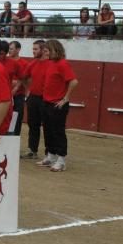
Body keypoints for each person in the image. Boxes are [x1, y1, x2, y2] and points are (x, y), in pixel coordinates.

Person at [37, 40, 78, 172]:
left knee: (58, 131)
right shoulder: (51, 63)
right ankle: (51, 156)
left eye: (47, 51)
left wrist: (65, 98)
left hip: (57, 104)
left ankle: (61, 160)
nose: (45, 53)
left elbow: (74, 82)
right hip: (47, 102)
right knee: (48, 130)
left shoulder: (63, 63)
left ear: (54, 50)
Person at [21, 40, 47, 159]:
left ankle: (49, 152)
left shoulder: (50, 63)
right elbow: (24, 78)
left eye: (36, 49)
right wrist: (27, 90)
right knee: (33, 125)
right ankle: (32, 150)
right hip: (33, 97)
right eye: (33, 49)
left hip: (46, 99)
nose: (33, 51)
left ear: (43, 50)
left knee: (48, 126)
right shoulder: (32, 64)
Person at [8, 41, 29, 136]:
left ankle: (14, 138)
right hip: (7, 94)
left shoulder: (24, 63)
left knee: (16, 117)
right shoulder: (6, 60)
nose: (9, 50)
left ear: (18, 49)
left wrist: (17, 86)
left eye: (12, 48)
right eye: (9, 48)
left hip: (18, 95)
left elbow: (25, 78)